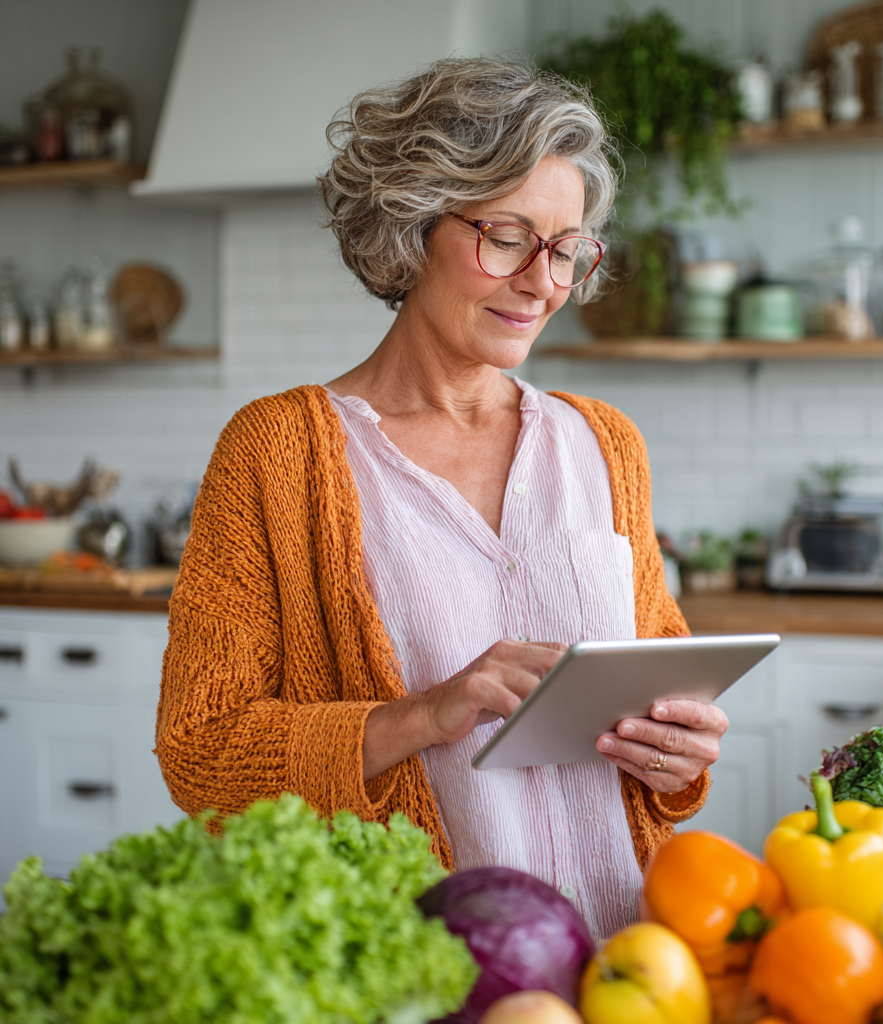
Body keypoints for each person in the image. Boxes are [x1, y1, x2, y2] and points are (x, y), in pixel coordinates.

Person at [157, 57, 728, 939]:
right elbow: (204, 750)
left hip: (632, 959)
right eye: (507, 237)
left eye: (569, 250)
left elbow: (664, 684)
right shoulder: (278, 454)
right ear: (414, 219)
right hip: (418, 967)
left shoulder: (606, 445)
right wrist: (421, 716)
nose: (544, 282)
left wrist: (680, 753)